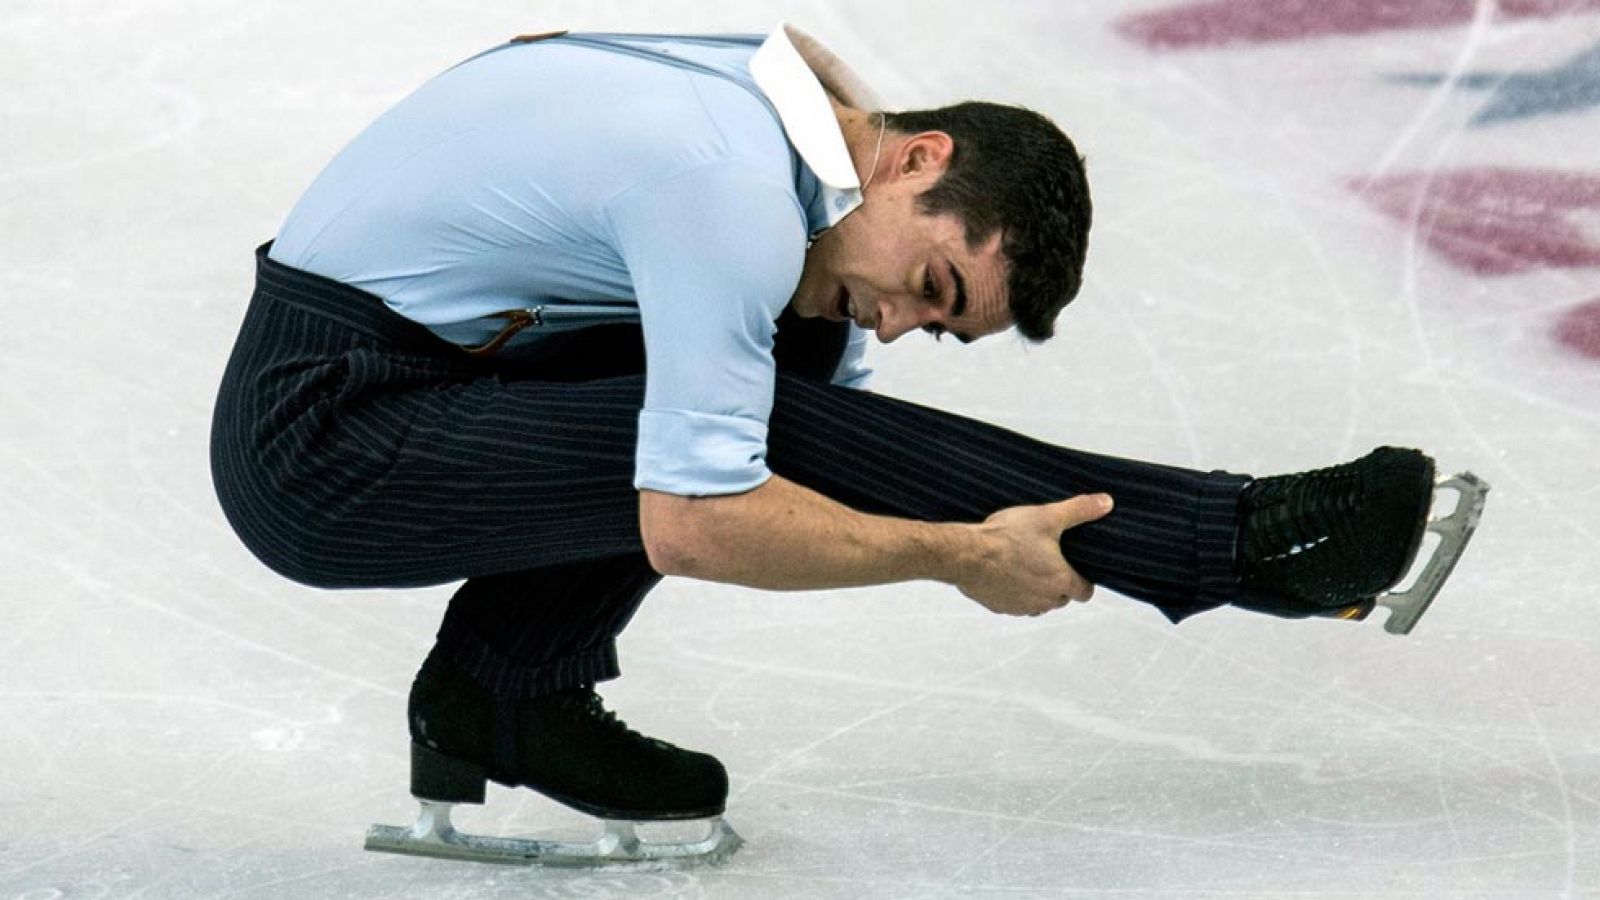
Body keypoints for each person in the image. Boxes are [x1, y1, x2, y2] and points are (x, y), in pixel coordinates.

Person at [209, 25, 1481, 866]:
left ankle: (503, 697)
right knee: (767, 401)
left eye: (943, 323)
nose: (908, 320)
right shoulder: (723, 188)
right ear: (920, 155)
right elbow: (697, 522)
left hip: (412, 368)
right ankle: (1237, 537)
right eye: (933, 282)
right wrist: (957, 555)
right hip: (322, 445)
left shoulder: (781, 109)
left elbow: (797, 58)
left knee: (798, 351)